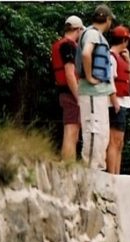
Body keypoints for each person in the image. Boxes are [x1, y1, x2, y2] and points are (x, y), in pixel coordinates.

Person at [75, 4, 117, 171]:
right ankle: (90, 169)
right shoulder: (92, 33)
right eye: (110, 20)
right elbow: (86, 53)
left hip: (99, 94)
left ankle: (98, 168)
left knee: (102, 133)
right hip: (92, 93)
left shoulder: (95, 34)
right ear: (106, 19)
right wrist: (90, 76)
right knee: (94, 131)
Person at [51, 15, 84, 161]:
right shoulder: (68, 45)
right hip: (71, 93)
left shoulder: (61, 44)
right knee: (71, 131)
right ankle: (68, 168)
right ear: (78, 30)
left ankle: (68, 166)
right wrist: (78, 97)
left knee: (73, 132)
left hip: (64, 92)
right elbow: (70, 73)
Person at [106, 25, 130, 175]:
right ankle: (112, 174)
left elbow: (128, 80)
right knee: (114, 140)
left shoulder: (122, 58)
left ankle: (117, 174)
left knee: (120, 142)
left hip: (123, 101)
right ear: (124, 40)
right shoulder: (111, 57)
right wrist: (114, 101)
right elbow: (109, 79)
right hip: (115, 103)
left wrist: (129, 62)